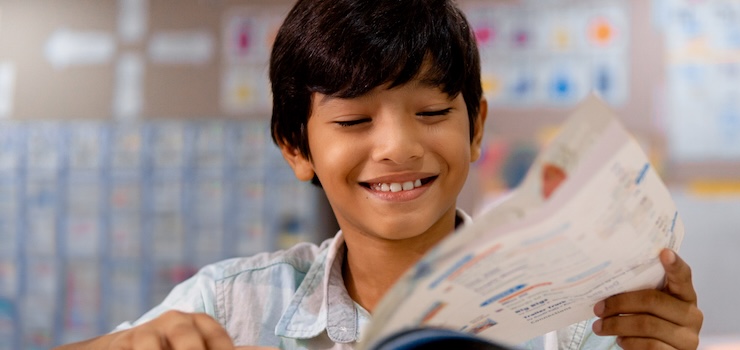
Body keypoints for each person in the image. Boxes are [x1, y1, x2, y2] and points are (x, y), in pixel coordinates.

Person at [57, 0, 703, 349]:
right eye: (354, 122)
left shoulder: (577, 317)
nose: (397, 147)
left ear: (476, 127)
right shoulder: (233, 306)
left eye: (430, 111)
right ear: (295, 146)